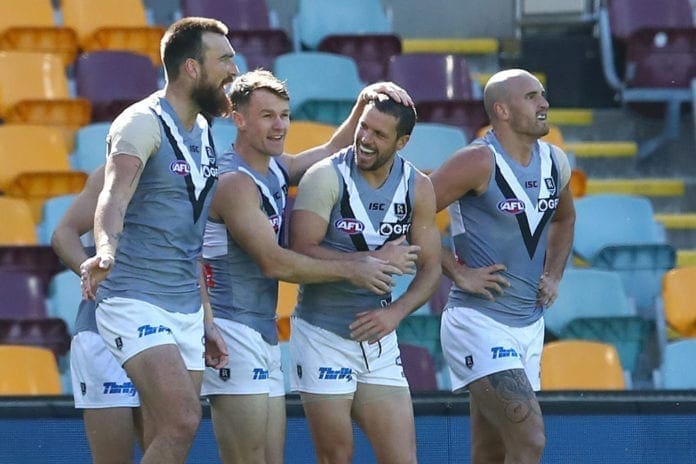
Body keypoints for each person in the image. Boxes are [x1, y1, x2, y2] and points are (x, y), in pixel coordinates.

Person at [200, 69, 417, 464]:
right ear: (239, 119)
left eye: (284, 114)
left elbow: (332, 151)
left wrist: (362, 105)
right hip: (230, 329)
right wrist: (361, 266)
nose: (279, 124)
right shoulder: (234, 181)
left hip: (259, 330)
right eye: (267, 115)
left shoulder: (273, 168)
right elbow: (273, 262)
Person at [79, 17, 234, 463]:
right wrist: (105, 249)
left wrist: (205, 317)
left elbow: (189, 239)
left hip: (185, 306)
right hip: (133, 298)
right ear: (191, 68)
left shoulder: (206, 133)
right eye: (224, 59)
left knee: (168, 436)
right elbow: (112, 197)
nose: (233, 69)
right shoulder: (140, 123)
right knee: (182, 419)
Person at [429, 68, 576, 464]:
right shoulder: (476, 160)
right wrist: (457, 271)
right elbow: (410, 214)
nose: (544, 103)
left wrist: (554, 274)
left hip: (529, 324)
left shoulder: (554, 161)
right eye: (531, 97)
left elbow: (565, 218)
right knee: (530, 440)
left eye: (542, 95)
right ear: (502, 110)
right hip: (478, 322)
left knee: (491, 449)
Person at [288, 97, 442, 464]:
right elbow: (299, 251)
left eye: (379, 134)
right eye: (364, 128)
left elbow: (432, 268)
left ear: (402, 142)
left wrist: (397, 314)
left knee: (403, 459)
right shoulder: (325, 176)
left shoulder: (417, 186)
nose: (366, 139)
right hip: (322, 333)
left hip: (379, 338)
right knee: (337, 456)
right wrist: (369, 262)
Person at [52, 166, 144, 463]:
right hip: (104, 331)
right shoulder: (113, 172)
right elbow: (63, 234)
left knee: (170, 445)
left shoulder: (196, 171)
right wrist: (93, 276)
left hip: (169, 328)